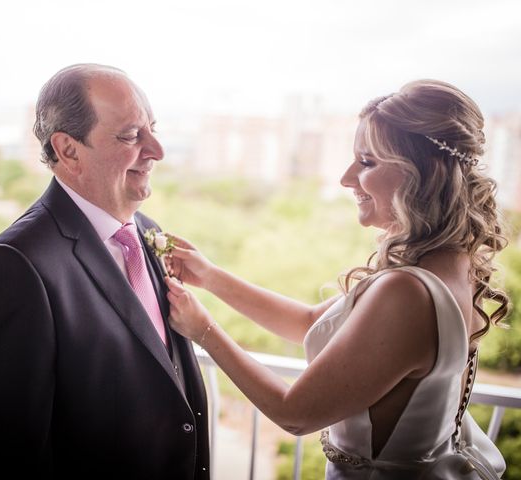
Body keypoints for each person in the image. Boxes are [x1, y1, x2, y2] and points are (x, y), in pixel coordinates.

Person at [165, 79, 508, 479]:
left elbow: (295, 414)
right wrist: (211, 277)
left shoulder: (407, 291)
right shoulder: (451, 262)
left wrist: (203, 329)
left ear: (423, 173)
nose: (347, 179)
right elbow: (310, 322)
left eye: (367, 162)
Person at [0, 64, 210, 479]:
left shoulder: (147, 232)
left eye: (153, 129)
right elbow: (3, 455)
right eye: (131, 136)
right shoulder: (15, 266)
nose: (157, 150)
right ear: (69, 150)